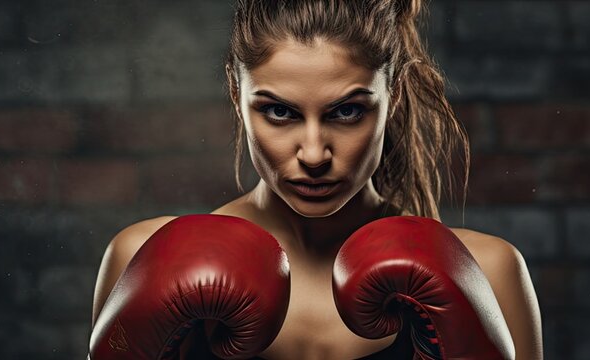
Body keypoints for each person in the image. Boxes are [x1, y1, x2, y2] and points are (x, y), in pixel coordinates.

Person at [90, 0, 543, 359]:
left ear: (394, 93)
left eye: (347, 111)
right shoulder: (139, 257)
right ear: (235, 91)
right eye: (278, 111)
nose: (313, 154)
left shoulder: (489, 272)